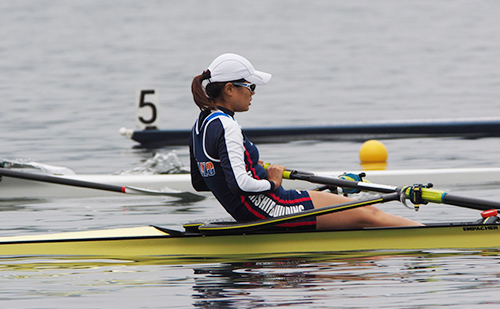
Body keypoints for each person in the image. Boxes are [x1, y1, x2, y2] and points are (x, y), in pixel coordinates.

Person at [189, 53, 422, 230]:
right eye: (250, 86)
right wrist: (272, 181)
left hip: (252, 211)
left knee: (356, 219)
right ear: (229, 89)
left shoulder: (198, 126)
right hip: (271, 209)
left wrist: (252, 168)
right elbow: (239, 184)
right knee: (367, 213)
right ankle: (422, 235)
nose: (253, 93)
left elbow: (201, 182)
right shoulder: (227, 126)